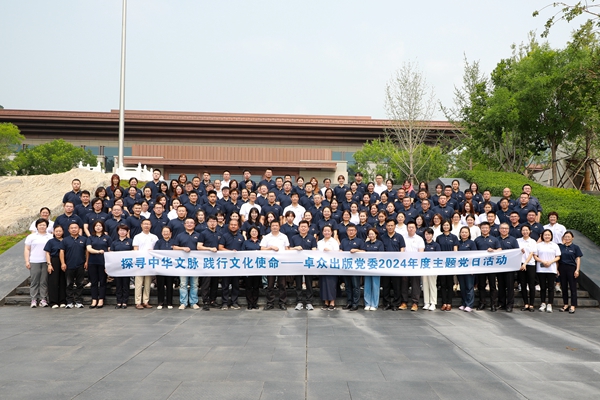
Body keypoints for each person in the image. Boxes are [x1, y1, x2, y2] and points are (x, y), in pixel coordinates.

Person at [260, 220, 290, 310]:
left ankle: (282, 303)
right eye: (273, 225)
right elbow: (262, 249)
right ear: (270, 227)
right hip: (270, 264)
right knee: (270, 285)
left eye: (276, 225)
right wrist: (270, 248)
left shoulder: (284, 237)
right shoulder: (266, 237)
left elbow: (287, 249)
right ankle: (270, 303)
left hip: (282, 263)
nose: (275, 227)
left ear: (279, 227)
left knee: (282, 284)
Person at [173, 218, 201, 310]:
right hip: (183, 264)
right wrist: (183, 248)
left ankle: (193, 302)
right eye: (187, 223)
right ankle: (183, 302)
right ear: (184, 225)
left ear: (195, 224)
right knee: (183, 284)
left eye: (191, 223)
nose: (189, 224)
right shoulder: (179, 235)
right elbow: (174, 247)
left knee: (194, 284)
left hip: (195, 264)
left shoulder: (199, 235)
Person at [289, 220, 318, 311]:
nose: (303, 228)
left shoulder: (312, 238)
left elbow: (314, 249)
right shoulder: (294, 238)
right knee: (298, 284)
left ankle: (309, 302)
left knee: (309, 283)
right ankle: (299, 301)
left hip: (308, 264)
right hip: (297, 264)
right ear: (298, 228)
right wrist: (295, 248)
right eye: (301, 226)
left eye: (305, 226)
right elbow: (289, 249)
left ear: (308, 228)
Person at [24, 218, 53, 308]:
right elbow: (27, 249)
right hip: (34, 261)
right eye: (40, 225)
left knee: (44, 281)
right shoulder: (31, 237)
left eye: (44, 225)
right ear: (36, 226)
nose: (42, 227)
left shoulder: (51, 236)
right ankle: (33, 299)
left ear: (47, 226)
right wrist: (27, 261)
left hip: (46, 261)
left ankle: (43, 299)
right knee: (34, 281)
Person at [60, 222, 87, 308]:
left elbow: (87, 251)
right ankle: (69, 301)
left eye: (75, 228)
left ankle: (79, 301)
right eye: (72, 228)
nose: (74, 229)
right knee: (69, 284)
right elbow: (61, 252)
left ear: (79, 229)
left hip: (80, 265)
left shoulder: (84, 239)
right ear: (68, 230)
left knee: (80, 283)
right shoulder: (65, 240)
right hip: (69, 265)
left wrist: (86, 261)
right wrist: (63, 263)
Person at [132, 219, 159, 309]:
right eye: (145, 224)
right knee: (138, 283)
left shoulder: (154, 237)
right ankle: (138, 302)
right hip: (140, 262)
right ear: (141, 225)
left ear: (151, 225)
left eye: (148, 224)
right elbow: (135, 249)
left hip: (150, 262)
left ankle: (145, 301)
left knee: (148, 283)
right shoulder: (137, 237)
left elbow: (157, 249)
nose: (146, 226)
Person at [218, 218, 244, 310]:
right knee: (225, 284)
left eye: (235, 225)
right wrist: (230, 252)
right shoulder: (224, 236)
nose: (233, 226)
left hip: (237, 264)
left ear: (238, 226)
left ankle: (234, 302)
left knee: (235, 284)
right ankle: (224, 302)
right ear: (229, 226)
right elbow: (220, 248)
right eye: (231, 225)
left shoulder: (241, 237)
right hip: (226, 264)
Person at [474, 222, 501, 311]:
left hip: (491, 266)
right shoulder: (477, 240)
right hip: (481, 266)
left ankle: (493, 304)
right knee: (481, 285)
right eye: (483, 228)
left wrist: (493, 250)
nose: (485, 229)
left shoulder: (494, 239)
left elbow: (500, 249)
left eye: (486, 228)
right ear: (480, 229)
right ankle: (482, 303)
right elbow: (473, 252)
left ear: (489, 229)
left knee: (492, 286)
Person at [380, 219, 406, 310]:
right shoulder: (382, 237)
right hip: (385, 265)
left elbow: (402, 249)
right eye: (388, 225)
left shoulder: (399, 237)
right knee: (386, 285)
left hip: (396, 265)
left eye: (392, 225)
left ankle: (396, 303)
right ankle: (386, 303)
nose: (390, 227)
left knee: (396, 285)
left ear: (395, 226)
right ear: (386, 226)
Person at [85, 220, 111, 309]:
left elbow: (110, 249)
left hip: (103, 262)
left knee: (103, 281)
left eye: (100, 225)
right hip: (93, 262)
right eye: (96, 226)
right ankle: (94, 299)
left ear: (103, 227)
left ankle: (101, 299)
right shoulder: (90, 238)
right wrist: (98, 251)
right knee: (94, 282)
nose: (98, 227)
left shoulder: (107, 237)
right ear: (94, 227)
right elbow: (89, 249)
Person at [534, 229, 561, 313]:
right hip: (541, 269)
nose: (547, 236)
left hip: (551, 269)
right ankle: (543, 303)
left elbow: (558, 256)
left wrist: (550, 262)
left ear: (551, 236)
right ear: (542, 236)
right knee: (542, 287)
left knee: (551, 287)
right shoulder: (538, 245)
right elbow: (535, 256)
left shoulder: (555, 245)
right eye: (545, 235)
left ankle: (550, 304)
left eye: (549, 235)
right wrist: (543, 261)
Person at [198, 216, 222, 310]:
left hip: (216, 262)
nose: (212, 223)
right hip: (206, 261)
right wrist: (209, 249)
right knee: (206, 283)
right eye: (210, 221)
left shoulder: (219, 233)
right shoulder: (203, 233)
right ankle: (205, 301)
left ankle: (213, 300)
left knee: (215, 282)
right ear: (207, 223)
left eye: (214, 221)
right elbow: (199, 247)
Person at [339, 223, 365, 311]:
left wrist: (357, 250)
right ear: (346, 231)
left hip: (356, 267)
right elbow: (341, 250)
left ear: (356, 231)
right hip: (346, 266)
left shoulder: (359, 241)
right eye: (349, 230)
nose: (351, 232)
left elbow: (365, 252)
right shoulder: (343, 241)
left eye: (353, 230)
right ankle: (349, 302)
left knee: (355, 286)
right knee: (348, 286)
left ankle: (355, 303)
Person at [400, 221, 425, 311]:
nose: (410, 229)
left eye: (412, 227)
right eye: (409, 227)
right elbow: (401, 250)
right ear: (407, 228)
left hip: (415, 264)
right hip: (405, 264)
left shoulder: (419, 239)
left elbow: (421, 252)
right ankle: (404, 302)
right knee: (404, 283)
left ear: (415, 228)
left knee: (415, 284)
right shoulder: (403, 238)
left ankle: (415, 303)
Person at [558, 231, 583, 314]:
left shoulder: (575, 247)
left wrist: (577, 270)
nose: (567, 238)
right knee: (564, 287)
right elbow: (558, 259)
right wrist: (557, 269)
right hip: (562, 268)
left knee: (573, 287)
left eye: (569, 237)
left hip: (571, 268)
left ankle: (573, 305)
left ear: (572, 238)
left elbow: (578, 259)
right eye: (565, 237)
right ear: (563, 238)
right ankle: (565, 304)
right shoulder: (560, 247)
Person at [497, 223, 520, 312]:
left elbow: (516, 252)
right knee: (501, 285)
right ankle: (501, 303)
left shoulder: (513, 240)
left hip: (510, 267)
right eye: (502, 228)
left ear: (508, 230)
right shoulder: (496, 239)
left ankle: (510, 304)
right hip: (499, 267)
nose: (504, 230)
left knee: (510, 286)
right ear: (499, 230)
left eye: (506, 228)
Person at [436, 220, 458, 311]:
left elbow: (455, 250)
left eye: (447, 225)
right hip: (441, 263)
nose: (446, 227)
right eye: (444, 225)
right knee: (443, 284)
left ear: (450, 226)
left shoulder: (454, 237)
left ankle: (449, 303)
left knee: (449, 284)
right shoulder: (439, 237)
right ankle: (444, 303)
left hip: (450, 263)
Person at [110, 224, 133, 308]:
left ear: (127, 232)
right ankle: (119, 301)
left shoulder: (130, 241)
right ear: (118, 232)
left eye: (124, 230)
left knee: (126, 284)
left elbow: (133, 253)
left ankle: (125, 302)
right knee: (118, 284)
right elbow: (111, 254)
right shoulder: (114, 242)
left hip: (127, 266)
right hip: (117, 266)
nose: (122, 232)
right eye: (120, 230)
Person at [317, 225, 340, 310]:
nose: (327, 232)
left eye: (328, 231)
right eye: (325, 231)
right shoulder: (319, 242)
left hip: (332, 266)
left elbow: (338, 253)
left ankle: (332, 302)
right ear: (322, 232)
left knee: (331, 284)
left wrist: (330, 251)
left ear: (331, 232)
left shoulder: (334, 242)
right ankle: (326, 302)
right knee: (323, 283)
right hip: (322, 265)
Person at [44, 225, 67, 308]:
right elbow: (47, 253)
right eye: (56, 231)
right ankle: (53, 302)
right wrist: (49, 264)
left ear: (63, 232)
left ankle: (62, 301)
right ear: (53, 232)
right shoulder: (51, 241)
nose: (58, 233)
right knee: (53, 282)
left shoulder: (66, 240)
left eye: (60, 231)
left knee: (63, 281)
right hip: (54, 261)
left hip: (64, 261)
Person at [517, 225, 538, 312]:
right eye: (523, 230)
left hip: (530, 264)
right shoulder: (518, 241)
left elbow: (531, 253)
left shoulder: (533, 241)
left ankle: (531, 304)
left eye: (526, 230)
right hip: (520, 264)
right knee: (523, 284)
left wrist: (525, 263)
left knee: (531, 285)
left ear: (530, 231)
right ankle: (526, 304)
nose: (525, 232)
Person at [154, 226, 175, 310]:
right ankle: (160, 302)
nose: (166, 233)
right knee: (160, 285)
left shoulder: (174, 242)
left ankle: (169, 302)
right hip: (160, 267)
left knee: (170, 285)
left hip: (171, 267)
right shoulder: (158, 242)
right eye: (164, 232)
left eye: (167, 231)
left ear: (170, 233)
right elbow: (156, 253)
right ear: (161, 233)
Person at [363, 227, 384, 310]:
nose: (371, 235)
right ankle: (367, 303)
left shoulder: (380, 243)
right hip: (367, 267)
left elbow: (381, 254)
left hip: (376, 267)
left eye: (372, 234)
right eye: (369, 234)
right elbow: (363, 252)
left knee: (375, 285)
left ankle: (374, 304)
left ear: (376, 234)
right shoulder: (366, 243)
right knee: (367, 285)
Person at [242, 226, 263, 310]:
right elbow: (242, 253)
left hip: (258, 267)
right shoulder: (246, 242)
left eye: (255, 231)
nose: (254, 233)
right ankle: (249, 303)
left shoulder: (261, 242)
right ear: (249, 233)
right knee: (248, 286)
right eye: (252, 231)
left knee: (256, 286)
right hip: (248, 267)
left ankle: (255, 302)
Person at [456, 226, 477, 312]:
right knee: (462, 287)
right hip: (460, 268)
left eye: (466, 232)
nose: (464, 234)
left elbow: (474, 256)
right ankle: (464, 303)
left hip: (469, 268)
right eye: (462, 232)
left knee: (469, 286)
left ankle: (469, 304)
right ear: (460, 233)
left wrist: (472, 268)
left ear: (469, 234)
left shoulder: (472, 243)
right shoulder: (457, 243)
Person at [422, 228, 440, 311]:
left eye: (429, 234)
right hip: (424, 267)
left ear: (432, 235)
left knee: (432, 285)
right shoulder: (422, 244)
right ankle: (426, 302)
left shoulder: (436, 245)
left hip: (433, 268)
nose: (428, 236)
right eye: (426, 234)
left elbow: (438, 256)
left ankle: (433, 303)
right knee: (425, 284)